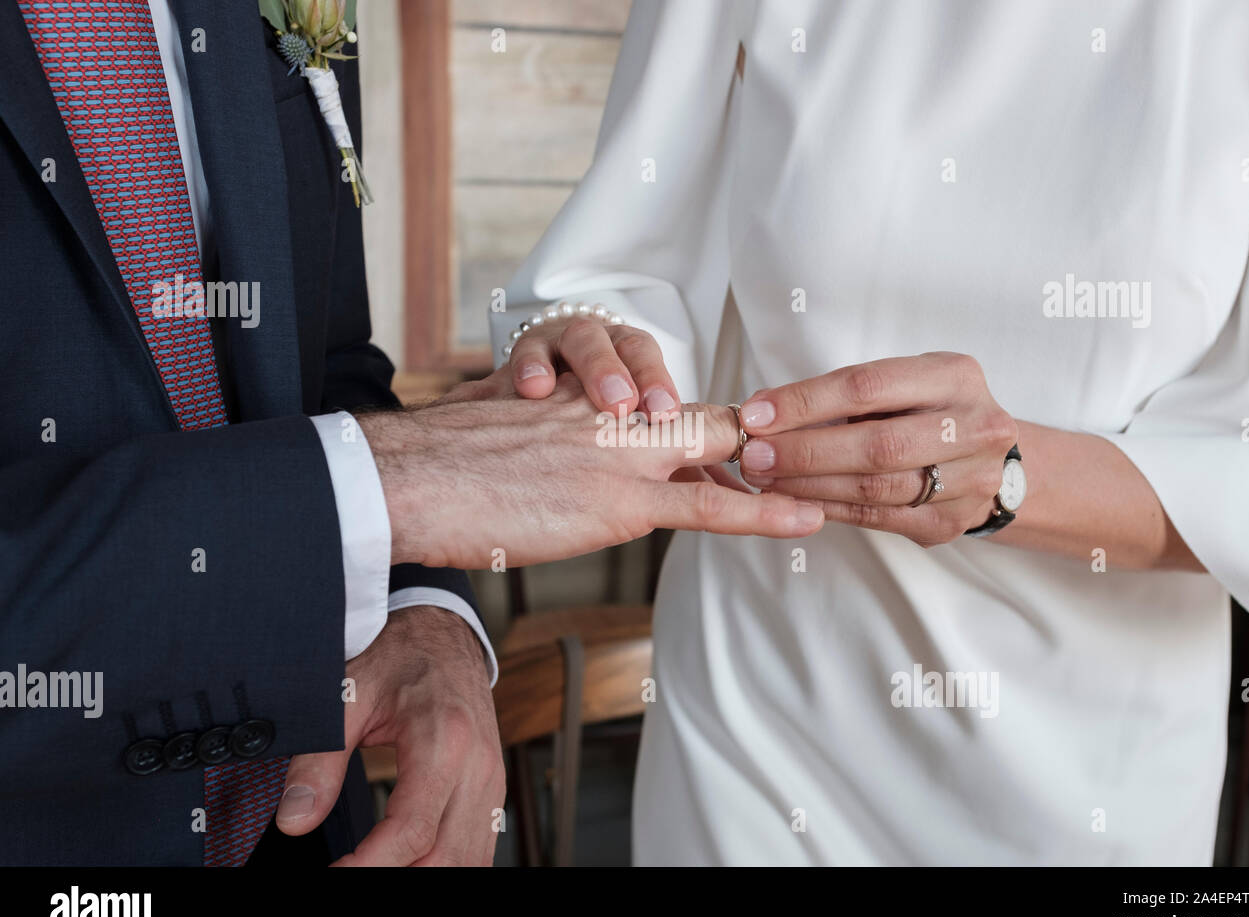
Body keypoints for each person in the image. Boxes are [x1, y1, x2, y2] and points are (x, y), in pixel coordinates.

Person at [0, 0, 819, 866]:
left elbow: (331, 365)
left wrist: (423, 614)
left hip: (313, 820)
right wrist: (393, 481)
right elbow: (365, 469)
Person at [493, 0, 1249, 864]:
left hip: (1095, 782)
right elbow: (621, 259)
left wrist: (1011, 478)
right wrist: (594, 349)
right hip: (762, 725)